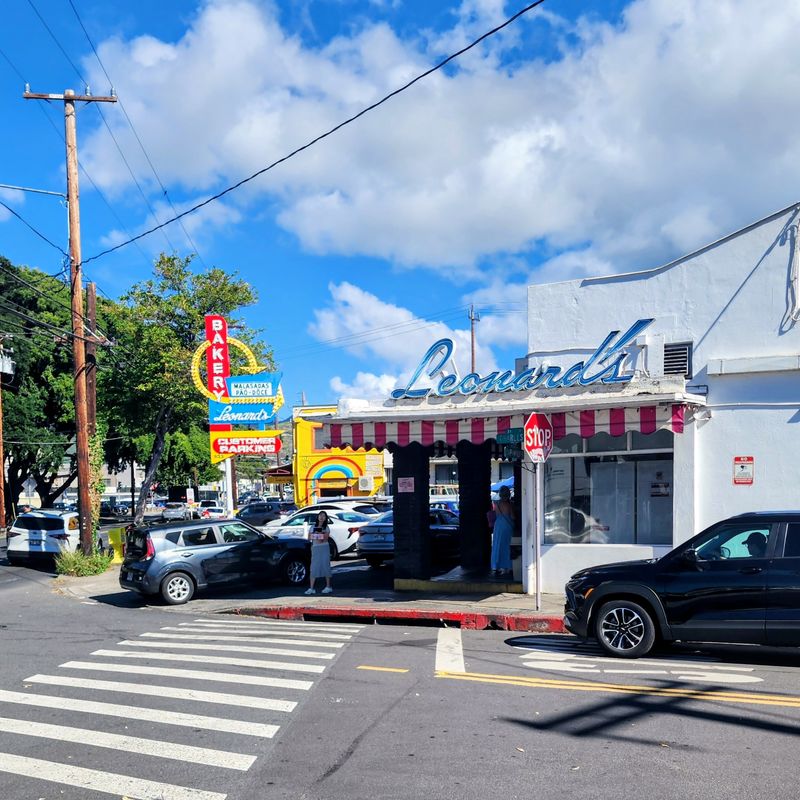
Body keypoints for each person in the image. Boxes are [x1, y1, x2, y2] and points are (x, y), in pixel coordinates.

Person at [305, 510, 333, 595]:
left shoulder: (326, 528)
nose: (321, 517)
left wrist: (318, 534)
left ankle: (328, 586)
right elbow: (309, 537)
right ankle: (311, 588)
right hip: (315, 548)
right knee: (313, 567)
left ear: (326, 518)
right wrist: (318, 534)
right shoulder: (312, 527)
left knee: (325, 565)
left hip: (324, 548)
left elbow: (323, 539)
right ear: (317, 517)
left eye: (324, 516)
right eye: (320, 515)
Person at [491, 486, 515, 577]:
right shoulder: (510, 504)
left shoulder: (496, 504)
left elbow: (496, 514)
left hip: (498, 526)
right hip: (507, 526)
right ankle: (508, 566)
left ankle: (497, 566)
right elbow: (512, 517)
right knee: (507, 546)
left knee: (497, 545)